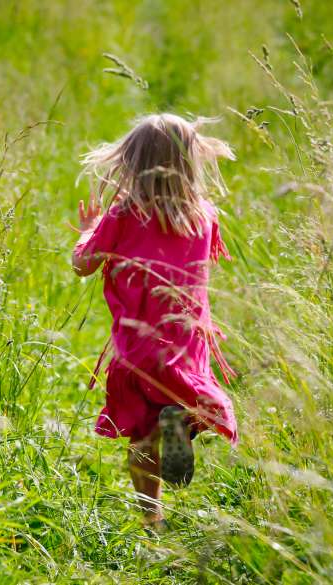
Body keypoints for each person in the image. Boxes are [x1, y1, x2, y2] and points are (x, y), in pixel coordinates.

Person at [71, 113, 238, 528]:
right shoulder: (204, 216)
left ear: (131, 162)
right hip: (184, 344)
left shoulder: (124, 215)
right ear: (190, 162)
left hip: (136, 349)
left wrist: (88, 230)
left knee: (141, 434)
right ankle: (181, 422)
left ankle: (152, 520)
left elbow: (83, 265)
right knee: (186, 398)